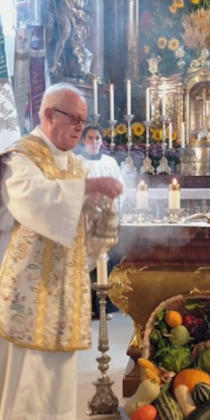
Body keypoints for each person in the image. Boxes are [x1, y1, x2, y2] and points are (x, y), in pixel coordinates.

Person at [0, 83, 123, 420]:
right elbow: (29, 199)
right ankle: (5, 413)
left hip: (63, 267)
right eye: (74, 119)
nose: (80, 128)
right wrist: (86, 189)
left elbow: (83, 207)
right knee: (19, 342)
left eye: (84, 121)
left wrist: (100, 203)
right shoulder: (22, 155)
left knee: (57, 343)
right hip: (23, 267)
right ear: (49, 114)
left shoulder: (76, 162)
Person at [78, 125, 124, 320]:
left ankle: (103, 308)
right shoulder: (77, 162)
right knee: (84, 261)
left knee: (103, 260)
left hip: (105, 219)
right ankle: (84, 307)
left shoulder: (110, 162)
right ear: (83, 140)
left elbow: (121, 187)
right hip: (85, 220)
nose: (95, 142)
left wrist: (112, 209)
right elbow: (75, 188)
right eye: (91, 138)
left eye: (98, 138)